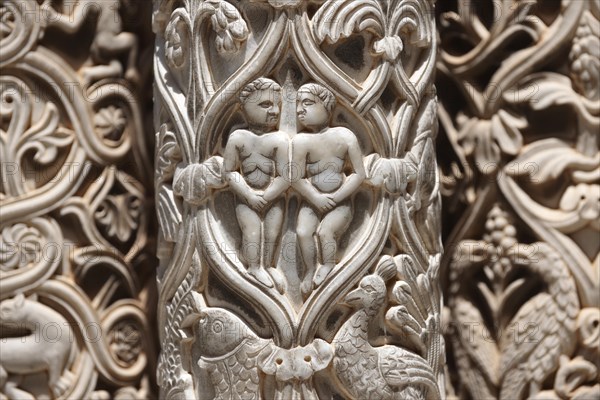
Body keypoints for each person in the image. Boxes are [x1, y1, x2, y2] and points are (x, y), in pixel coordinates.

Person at [292, 83, 366, 297]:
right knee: (303, 232)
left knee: (326, 232)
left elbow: (358, 174)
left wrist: (336, 197)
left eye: (307, 103)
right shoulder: (301, 140)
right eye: (297, 104)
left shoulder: (344, 136)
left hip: (340, 202)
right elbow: (296, 177)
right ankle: (309, 270)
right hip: (312, 200)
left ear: (327, 106)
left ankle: (328, 264)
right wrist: (315, 198)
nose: (299, 110)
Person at [223, 78, 289, 290]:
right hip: (246, 198)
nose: (275, 111)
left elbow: (285, 176)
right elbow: (230, 171)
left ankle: (268, 265)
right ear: (243, 108)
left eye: (277, 105)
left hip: (273, 198)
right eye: (265, 105)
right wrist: (250, 196)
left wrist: (268, 196)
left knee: (271, 234)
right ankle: (253, 266)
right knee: (252, 231)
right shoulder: (238, 138)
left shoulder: (279, 140)